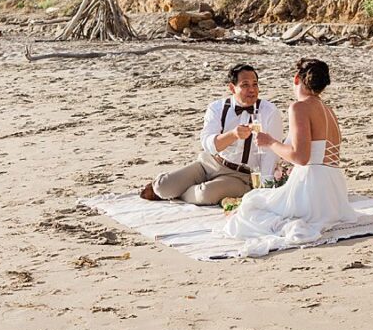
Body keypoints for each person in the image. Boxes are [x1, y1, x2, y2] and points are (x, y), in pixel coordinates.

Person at [219, 58, 361, 256]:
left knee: (251, 205)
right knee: (259, 200)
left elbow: (301, 158)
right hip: (335, 190)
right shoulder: (329, 110)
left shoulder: (299, 107)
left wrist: (270, 142)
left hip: (312, 188)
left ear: (296, 79)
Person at [139, 63, 283, 205]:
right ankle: (170, 191)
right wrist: (233, 134)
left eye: (255, 84)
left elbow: (271, 154)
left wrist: (265, 188)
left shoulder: (269, 112)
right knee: (162, 186)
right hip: (209, 163)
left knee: (205, 194)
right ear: (232, 88)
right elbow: (208, 144)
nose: (252, 89)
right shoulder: (217, 107)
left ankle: (180, 194)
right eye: (245, 85)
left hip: (240, 176)